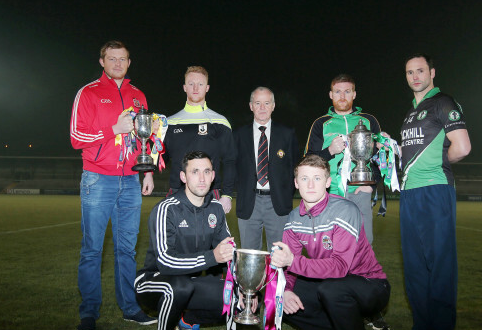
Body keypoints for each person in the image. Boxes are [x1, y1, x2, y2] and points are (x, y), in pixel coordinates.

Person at [270, 155, 390, 330]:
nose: (310, 184)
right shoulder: (294, 219)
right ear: (296, 183)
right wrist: (285, 290)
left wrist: (292, 262)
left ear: (327, 182)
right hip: (331, 284)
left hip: (370, 285)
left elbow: (340, 267)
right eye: (304, 178)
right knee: (274, 293)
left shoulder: (345, 210)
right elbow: (289, 264)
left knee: (332, 289)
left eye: (317, 178)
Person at [70, 40, 156, 330]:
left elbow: (146, 137)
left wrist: (148, 171)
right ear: (102, 61)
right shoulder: (89, 92)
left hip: (131, 180)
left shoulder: (138, 95)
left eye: (123, 59)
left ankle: (130, 308)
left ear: (129, 62)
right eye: (112, 58)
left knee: (127, 250)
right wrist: (113, 130)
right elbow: (76, 136)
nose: (118, 63)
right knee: (92, 250)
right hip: (98, 178)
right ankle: (89, 313)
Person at [393, 53, 471, 330]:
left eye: (420, 70)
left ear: (432, 73)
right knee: (414, 265)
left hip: (435, 190)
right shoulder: (411, 113)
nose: (415, 76)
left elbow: (462, 147)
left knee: (439, 264)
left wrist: (438, 164)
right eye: (409, 72)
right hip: (410, 193)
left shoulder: (443, 102)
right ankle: (422, 328)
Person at [134, 151, 236, 330]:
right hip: (153, 281)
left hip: (191, 283)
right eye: (195, 172)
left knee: (237, 297)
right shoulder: (167, 209)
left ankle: (187, 320)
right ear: (183, 177)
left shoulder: (216, 209)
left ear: (213, 176)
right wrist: (211, 257)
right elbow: (164, 262)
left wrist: (245, 282)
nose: (202, 178)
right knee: (179, 286)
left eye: (206, 172)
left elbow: (229, 251)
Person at [304, 74, 382, 245]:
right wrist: (330, 151)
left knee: (363, 245)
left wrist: (371, 184)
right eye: (337, 92)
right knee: (329, 246)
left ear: (354, 94)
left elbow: (380, 157)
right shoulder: (321, 123)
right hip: (329, 193)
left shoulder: (369, 121)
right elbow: (308, 162)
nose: (342, 96)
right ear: (330, 94)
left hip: (360, 191)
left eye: (347, 91)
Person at [163, 66, 236, 215]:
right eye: (191, 84)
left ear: (207, 88)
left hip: (210, 193)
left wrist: (227, 195)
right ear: (184, 87)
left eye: (200, 84)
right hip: (177, 192)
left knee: (212, 232)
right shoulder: (169, 123)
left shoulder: (220, 122)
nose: (195, 88)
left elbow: (230, 160)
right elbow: (161, 159)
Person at [234, 87, 299, 250]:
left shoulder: (287, 134)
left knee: (279, 255)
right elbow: (232, 167)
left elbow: (295, 168)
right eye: (258, 103)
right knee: (249, 256)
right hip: (249, 202)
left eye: (267, 103)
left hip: (278, 203)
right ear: (251, 106)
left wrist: (285, 193)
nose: (262, 108)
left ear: (273, 106)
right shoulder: (238, 135)